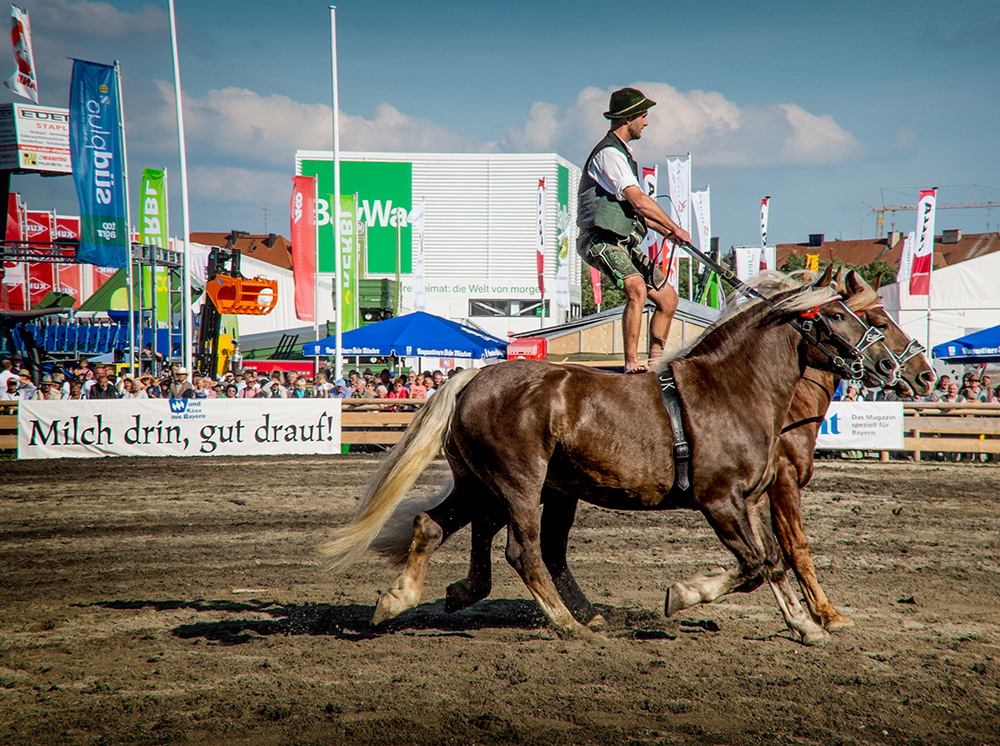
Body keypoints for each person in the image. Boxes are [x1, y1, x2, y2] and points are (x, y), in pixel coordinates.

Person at [577, 87, 692, 373]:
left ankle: (655, 364)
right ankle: (631, 363)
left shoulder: (624, 155)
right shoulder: (608, 155)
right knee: (636, 287)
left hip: (622, 242)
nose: (646, 122)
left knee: (668, 299)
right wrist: (674, 226)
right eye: (643, 116)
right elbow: (640, 202)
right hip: (599, 239)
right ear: (627, 118)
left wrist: (669, 232)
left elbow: (636, 214)